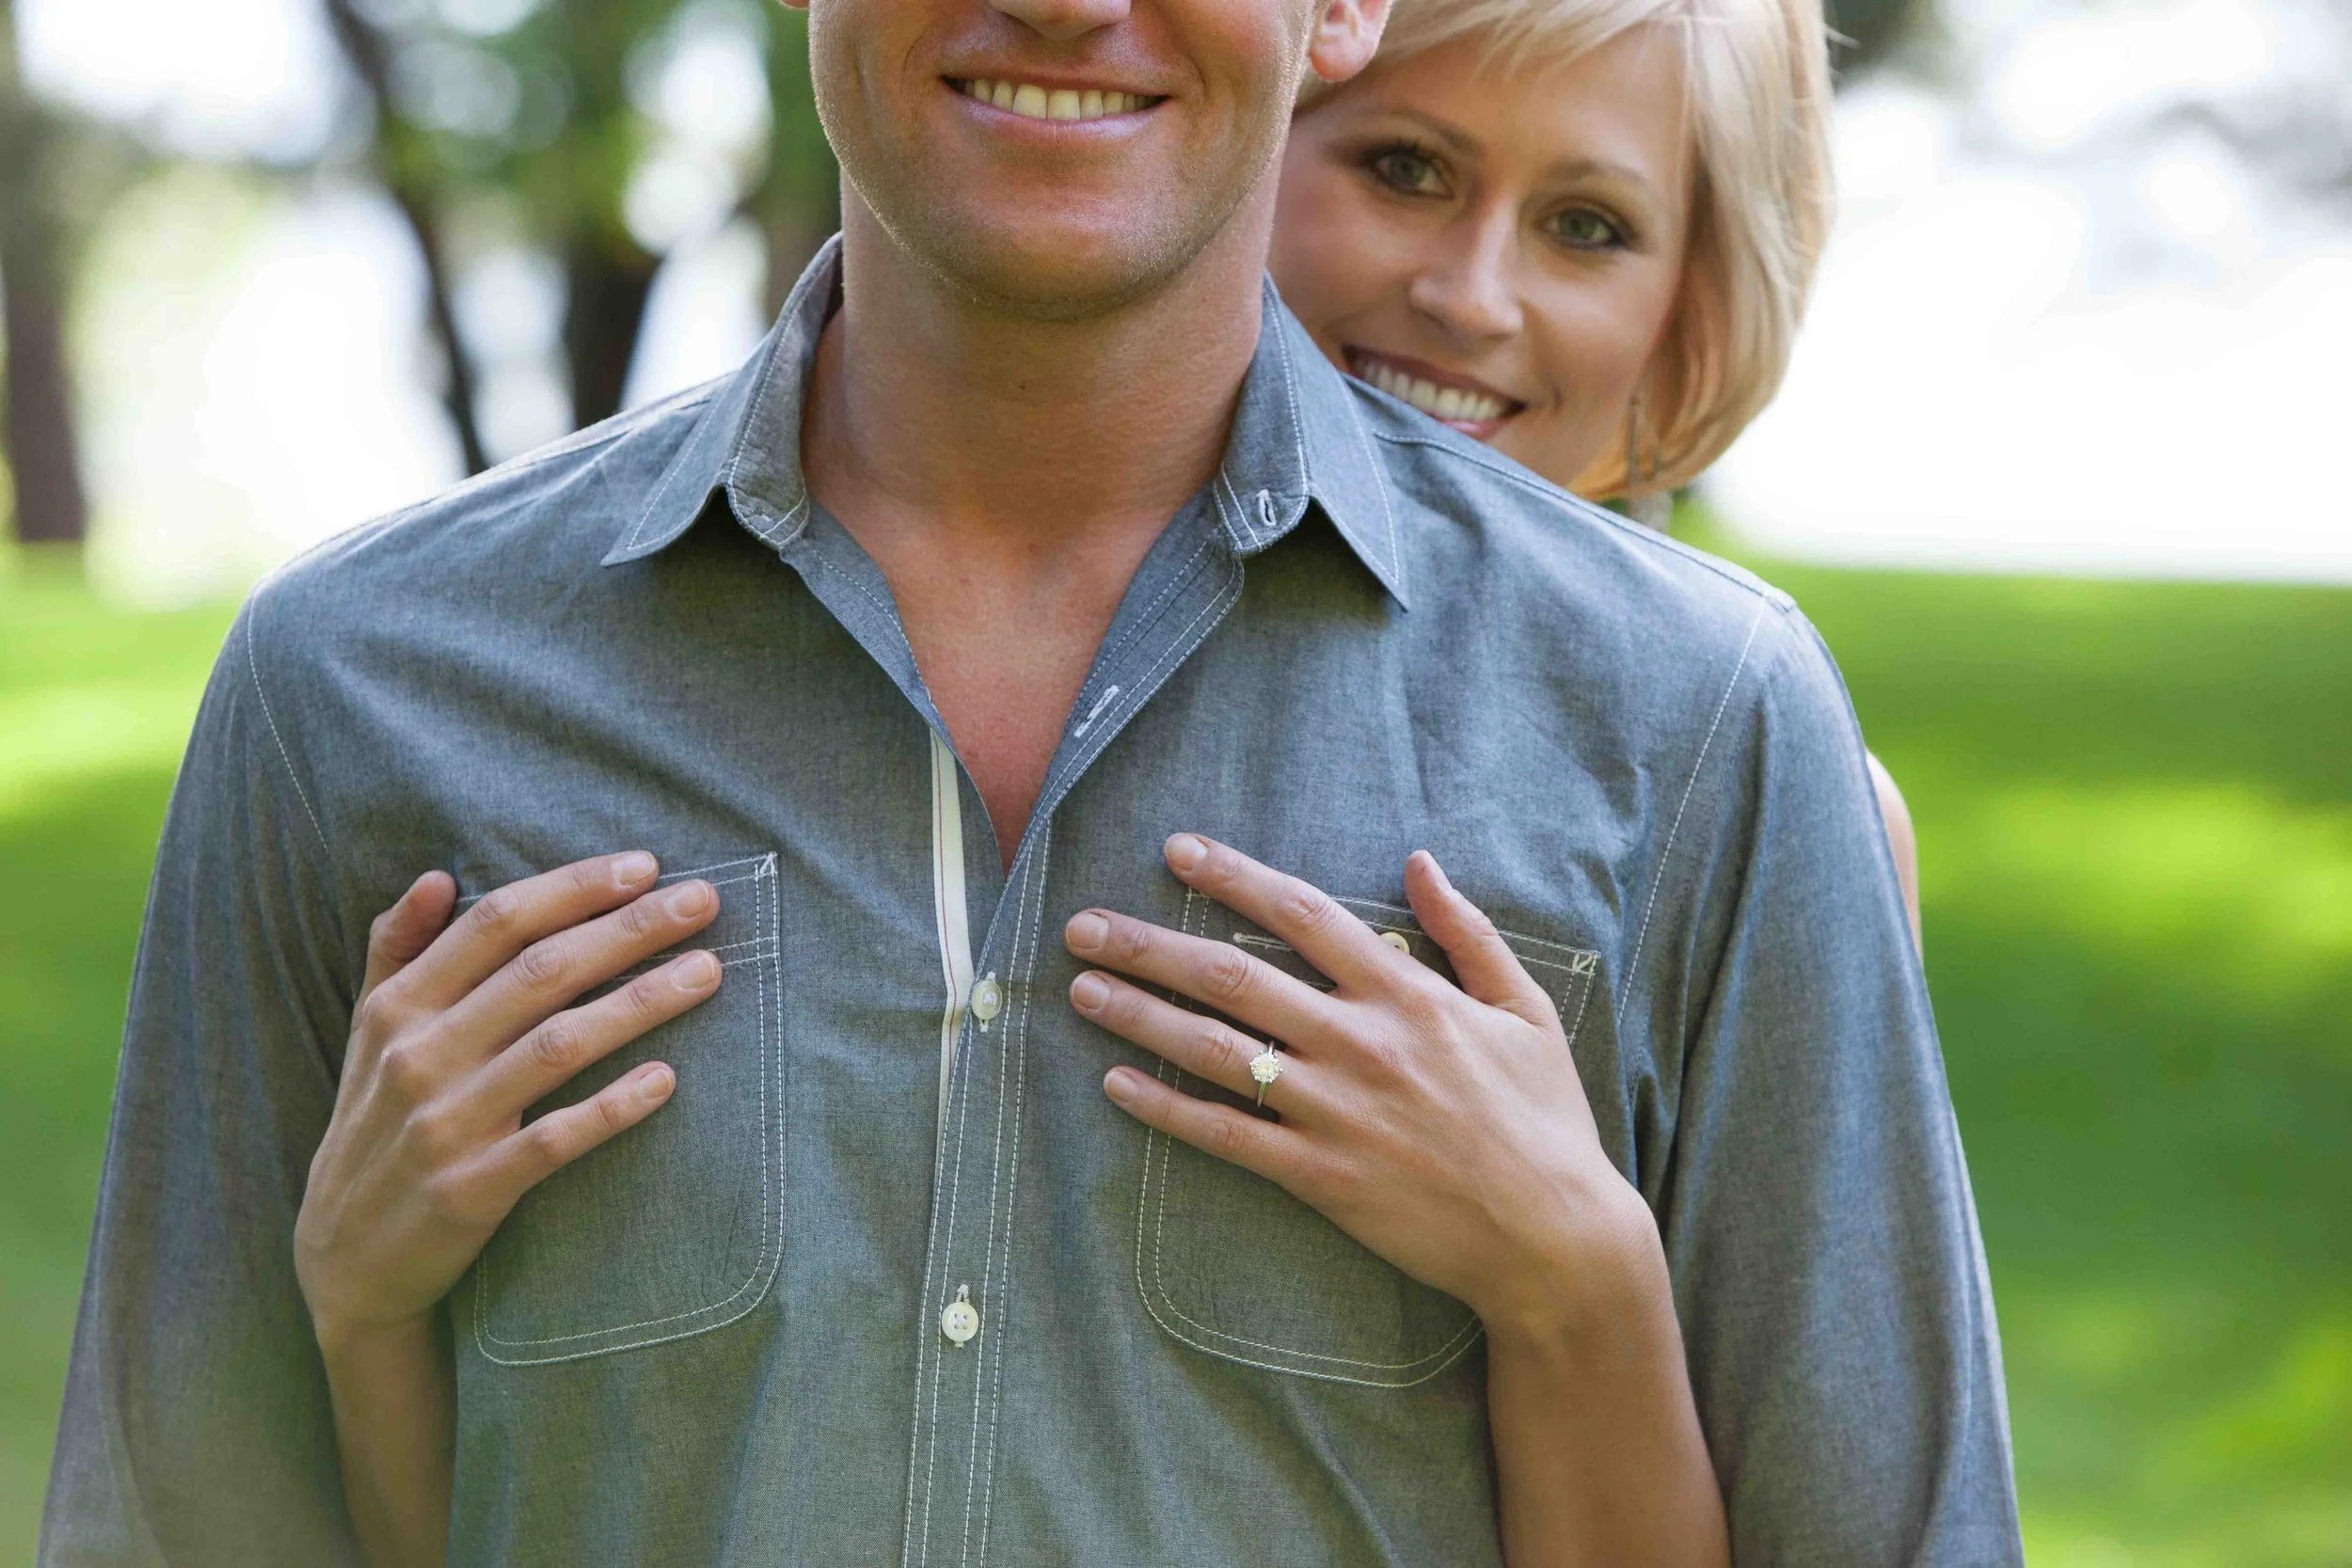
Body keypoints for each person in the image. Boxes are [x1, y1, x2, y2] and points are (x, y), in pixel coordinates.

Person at [42, 4, 2020, 1568]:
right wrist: (366, 1311)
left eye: (1582, 222)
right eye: (1418, 179)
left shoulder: (1701, 729)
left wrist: (1579, 1284)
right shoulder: (357, 692)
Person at [1271, 0, 1928, 944]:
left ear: (1690, 303)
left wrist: (1539, 1104)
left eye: (1584, 225)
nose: (1470, 300)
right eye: (1406, 169)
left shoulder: (1764, 799)